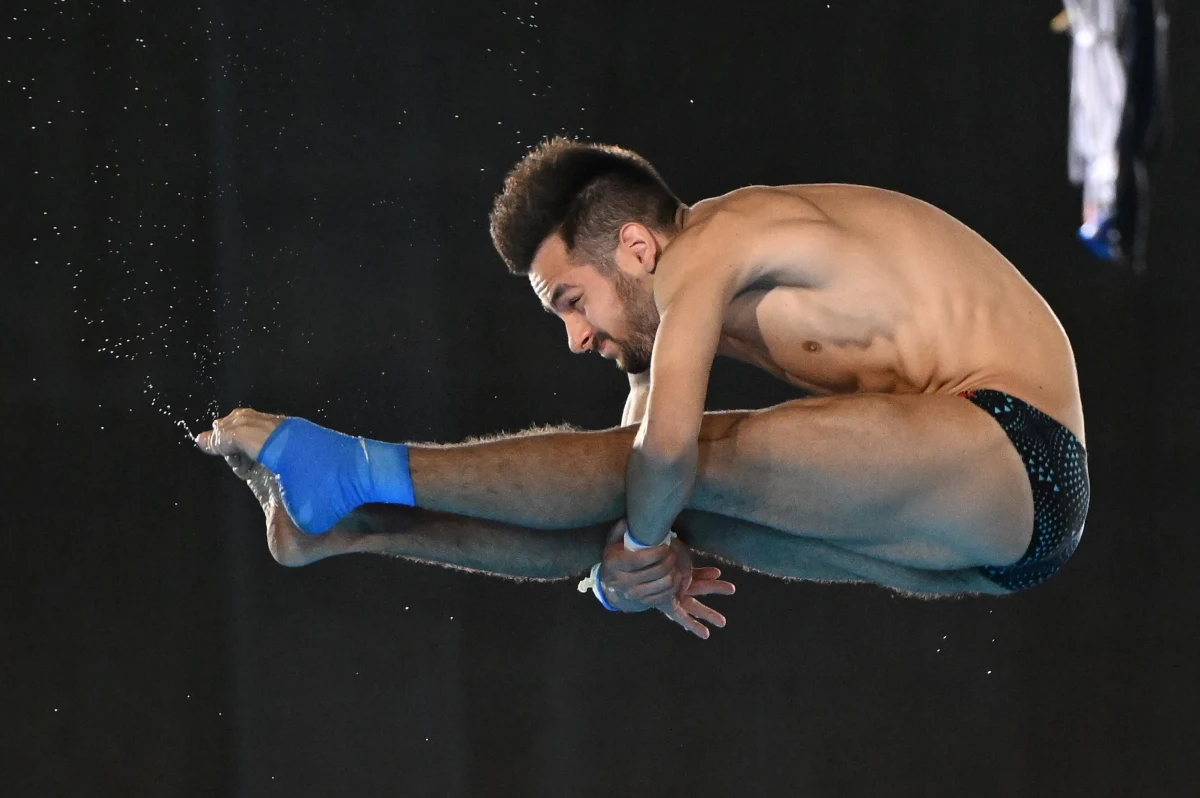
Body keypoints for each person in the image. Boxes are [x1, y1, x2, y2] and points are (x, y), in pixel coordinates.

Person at [198, 137, 1090, 639]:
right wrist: (619, 570)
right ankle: (354, 526)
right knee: (639, 504)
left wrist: (636, 546)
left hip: (1013, 443)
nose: (578, 336)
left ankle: (356, 469)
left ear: (636, 248)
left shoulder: (714, 244)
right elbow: (626, 485)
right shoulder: (670, 304)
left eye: (573, 302)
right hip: (986, 547)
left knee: (678, 468)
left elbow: (662, 450)